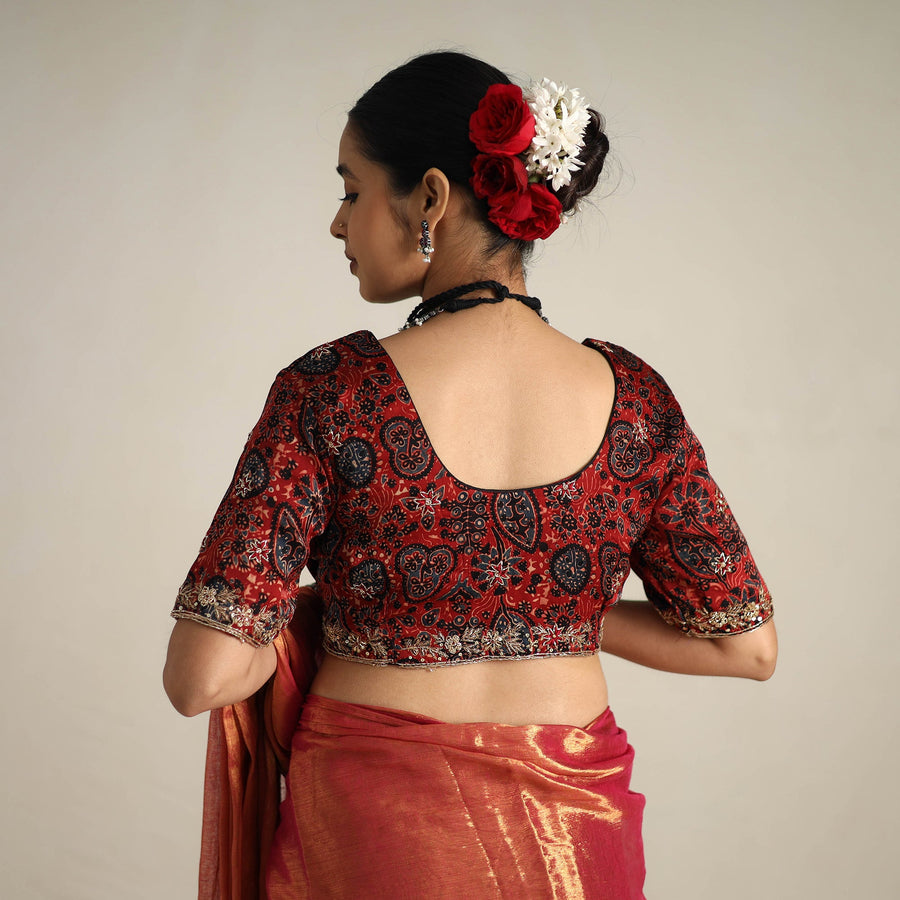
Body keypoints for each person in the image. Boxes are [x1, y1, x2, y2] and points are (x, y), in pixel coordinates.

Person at [163, 51, 777, 899]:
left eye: (351, 191)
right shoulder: (635, 402)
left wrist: (309, 620)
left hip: (383, 835)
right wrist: (549, 610)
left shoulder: (332, 391)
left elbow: (201, 677)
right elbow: (743, 645)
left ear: (430, 198)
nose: (338, 225)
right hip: (577, 839)